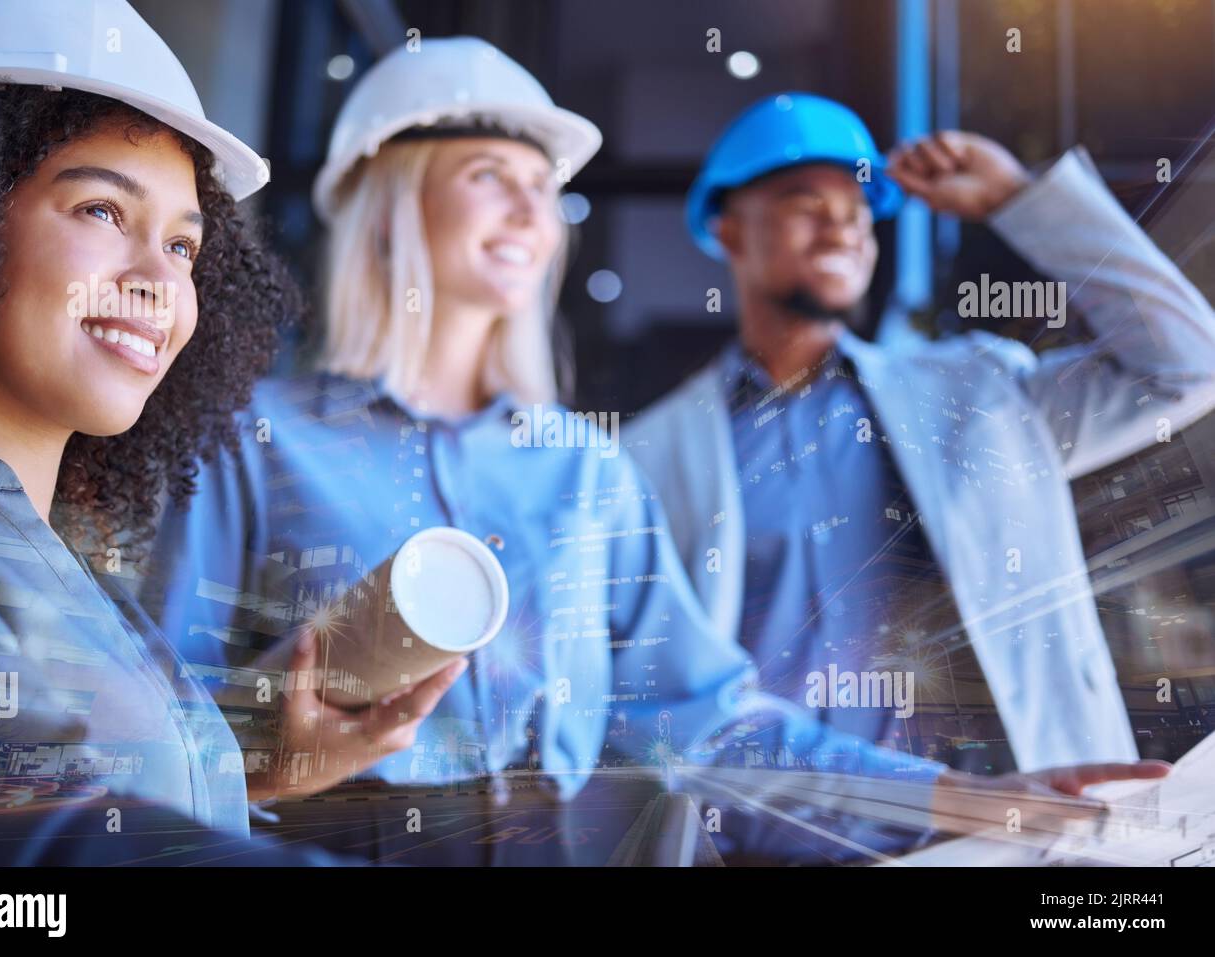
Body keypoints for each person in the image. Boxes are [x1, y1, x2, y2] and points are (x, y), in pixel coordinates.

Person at [142, 40, 1169, 863]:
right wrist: (266, 753)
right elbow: (154, 726)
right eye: (490, 177)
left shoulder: (588, 474)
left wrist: (981, 801)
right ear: (390, 206)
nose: (530, 215)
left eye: (543, 192)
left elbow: (708, 723)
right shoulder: (254, 438)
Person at [0, 0, 437, 865]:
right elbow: (26, 848)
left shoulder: (56, 556)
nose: (160, 280)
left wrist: (248, 756)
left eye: (185, 247)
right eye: (100, 212)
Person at [628, 92, 1215, 774]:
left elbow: (1188, 367)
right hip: (788, 835)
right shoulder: (651, 456)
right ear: (728, 228)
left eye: (857, 214)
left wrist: (1020, 201)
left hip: (1016, 826)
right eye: (805, 204)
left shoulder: (982, 392)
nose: (841, 229)